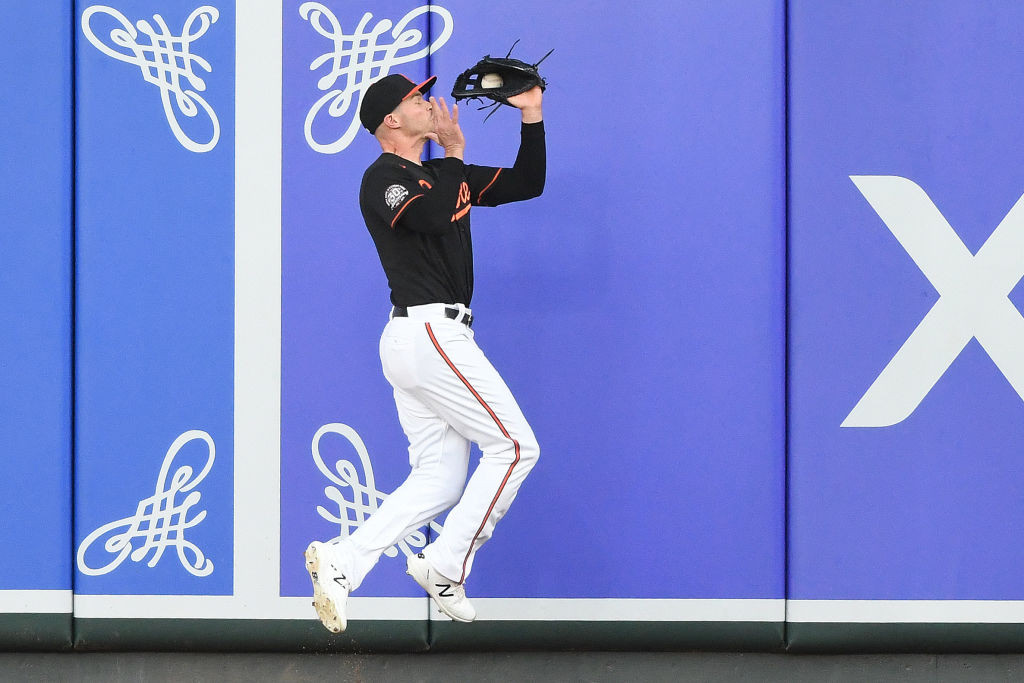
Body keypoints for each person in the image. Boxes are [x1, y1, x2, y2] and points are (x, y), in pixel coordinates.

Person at [305, 73, 546, 633]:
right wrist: (458, 153)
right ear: (391, 120)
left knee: (438, 479)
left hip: (426, 339)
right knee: (514, 447)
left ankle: (344, 561)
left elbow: (528, 182)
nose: (427, 103)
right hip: (429, 332)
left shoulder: (441, 174)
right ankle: (444, 565)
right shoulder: (382, 177)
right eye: (415, 99)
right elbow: (434, 216)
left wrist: (530, 113)